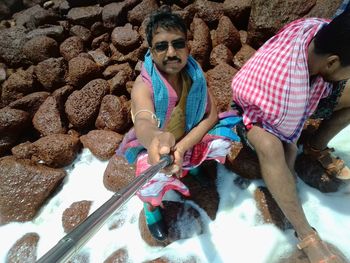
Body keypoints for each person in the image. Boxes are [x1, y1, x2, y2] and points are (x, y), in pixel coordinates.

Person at [231, 9, 350, 263]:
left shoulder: (318, 28)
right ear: (331, 63)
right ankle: (306, 234)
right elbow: (287, 145)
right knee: (271, 147)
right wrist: (291, 150)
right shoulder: (286, 93)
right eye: (347, 71)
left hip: (296, 93)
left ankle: (316, 147)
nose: (347, 77)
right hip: (253, 112)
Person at [116, 6, 240, 241]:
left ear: (188, 46)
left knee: (222, 138)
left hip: (187, 137)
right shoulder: (145, 86)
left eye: (178, 44)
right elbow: (143, 119)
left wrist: (182, 148)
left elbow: (212, 115)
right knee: (148, 178)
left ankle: (191, 166)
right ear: (151, 52)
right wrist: (155, 139)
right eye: (162, 46)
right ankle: (151, 209)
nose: (171, 52)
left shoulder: (194, 73)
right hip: (156, 148)